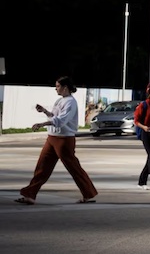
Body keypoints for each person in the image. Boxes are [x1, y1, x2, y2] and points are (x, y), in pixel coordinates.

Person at [16, 76, 98, 205]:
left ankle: (89, 194)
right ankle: (30, 195)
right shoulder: (60, 100)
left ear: (65, 88)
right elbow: (55, 117)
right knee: (42, 166)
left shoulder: (71, 102)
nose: (56, 89)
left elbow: (60, 121)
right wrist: (45, 111)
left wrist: (42, 124)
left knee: (73, 168)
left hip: (64, 139)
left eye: (58, 86)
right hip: (52, 138)